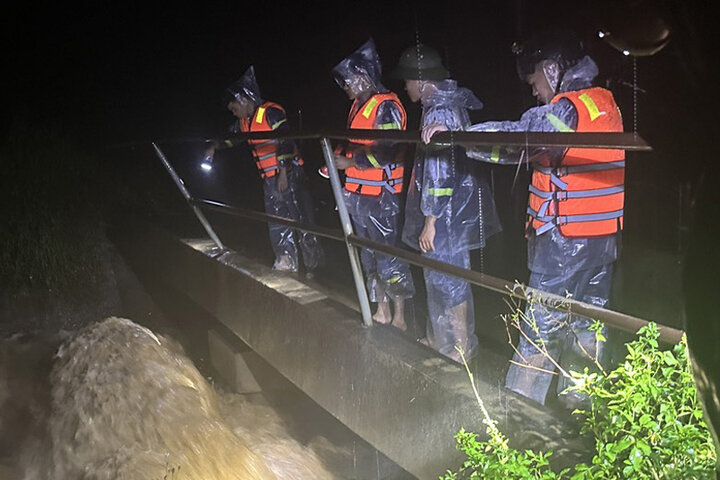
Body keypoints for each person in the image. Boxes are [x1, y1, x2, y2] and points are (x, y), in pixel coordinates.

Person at [423, 31, 625, 408]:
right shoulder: (603, 102)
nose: (533, 90)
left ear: (551, 70)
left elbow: (520, 140)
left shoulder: (566, 110)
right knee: (588, 328)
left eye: (534, 80)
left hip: (566, 242)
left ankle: (517, 419)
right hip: (603, 238)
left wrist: (458, 137)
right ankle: (581, 411)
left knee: (540, 333)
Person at [390, 44, 500, 361]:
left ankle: (461, 346)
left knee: (449, 279)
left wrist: (430, 220)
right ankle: (442, 340)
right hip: (455, 209)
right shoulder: (444, 106)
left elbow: (439, 172)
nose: (406, 86)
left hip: (447, 215)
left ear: (422, 80)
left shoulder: (438, 111)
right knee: (441, 276)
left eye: (409, 80)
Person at [329, 38, 415, 329]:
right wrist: (336, 159)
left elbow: (389, 150)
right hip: (358, 194)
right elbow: (352, 142)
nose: (346, 88)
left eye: (349, 81)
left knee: (388, 257)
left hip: (382, 196)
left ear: (364, 76)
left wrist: (350, 163)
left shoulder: (388, 107)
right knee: (369, 256)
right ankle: (382, 310)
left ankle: (400, 317)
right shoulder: (357, 106)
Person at [206, 66, 323, 274]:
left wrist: (284, 171)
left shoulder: (271, 112)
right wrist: (214, 146)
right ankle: (286, 262)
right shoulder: (244, 122)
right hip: (269, 179)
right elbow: (231, 139)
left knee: (302, 221)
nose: (233, 113)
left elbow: (285, 139)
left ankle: (314, 269)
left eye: (234, 108)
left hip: (289, 173)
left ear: (243, 100)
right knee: (277, 222)